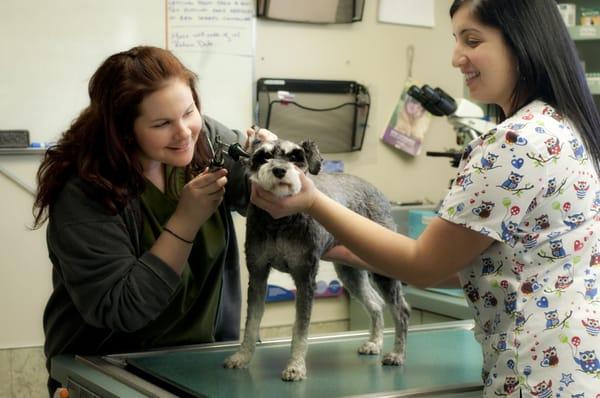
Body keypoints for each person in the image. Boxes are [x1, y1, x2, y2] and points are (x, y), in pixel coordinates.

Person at [251, 1, 600, 396]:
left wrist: (313, 203)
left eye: (472, 40)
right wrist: (353, 253)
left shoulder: (515, 141)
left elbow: (425, 267)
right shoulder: (567, 129)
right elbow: (470, 266)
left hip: (535, 380)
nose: (456, 58)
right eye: (455, 40)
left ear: (522, 41)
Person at [32, 45, 275, 395]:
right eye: (162, 124)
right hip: (105, 372)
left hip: (201, 364)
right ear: (123, 130)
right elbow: (123, 308)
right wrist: (186, 220)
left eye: (189, 111)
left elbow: (261, 198)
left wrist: (273, 163)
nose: (184, 133)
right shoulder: (84, 191)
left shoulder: (207, 141)